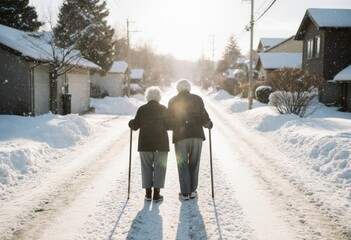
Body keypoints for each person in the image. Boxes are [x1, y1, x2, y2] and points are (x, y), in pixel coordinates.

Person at [167, 79, 213, 201]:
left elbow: (169, 122)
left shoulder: (172, 101)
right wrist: (208, 124)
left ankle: (185, 192)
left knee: (182, 164)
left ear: (178, 89)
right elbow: (204, 117)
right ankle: (192, 191)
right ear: (189, 88)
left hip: (180, 136)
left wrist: (175, 125)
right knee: (194, 163)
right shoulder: (197, 99)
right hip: (196, 135)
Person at [128, 86, 169, 202]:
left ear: (147, 96)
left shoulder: (142, 109)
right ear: (159, 97)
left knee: (146, 168)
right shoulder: (163, 109)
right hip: (161, 145)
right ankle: (156, 194)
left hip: (145, 144)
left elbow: (135, 126)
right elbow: (170, 125)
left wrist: (131, 123)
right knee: (160, 167)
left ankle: (147, 194)